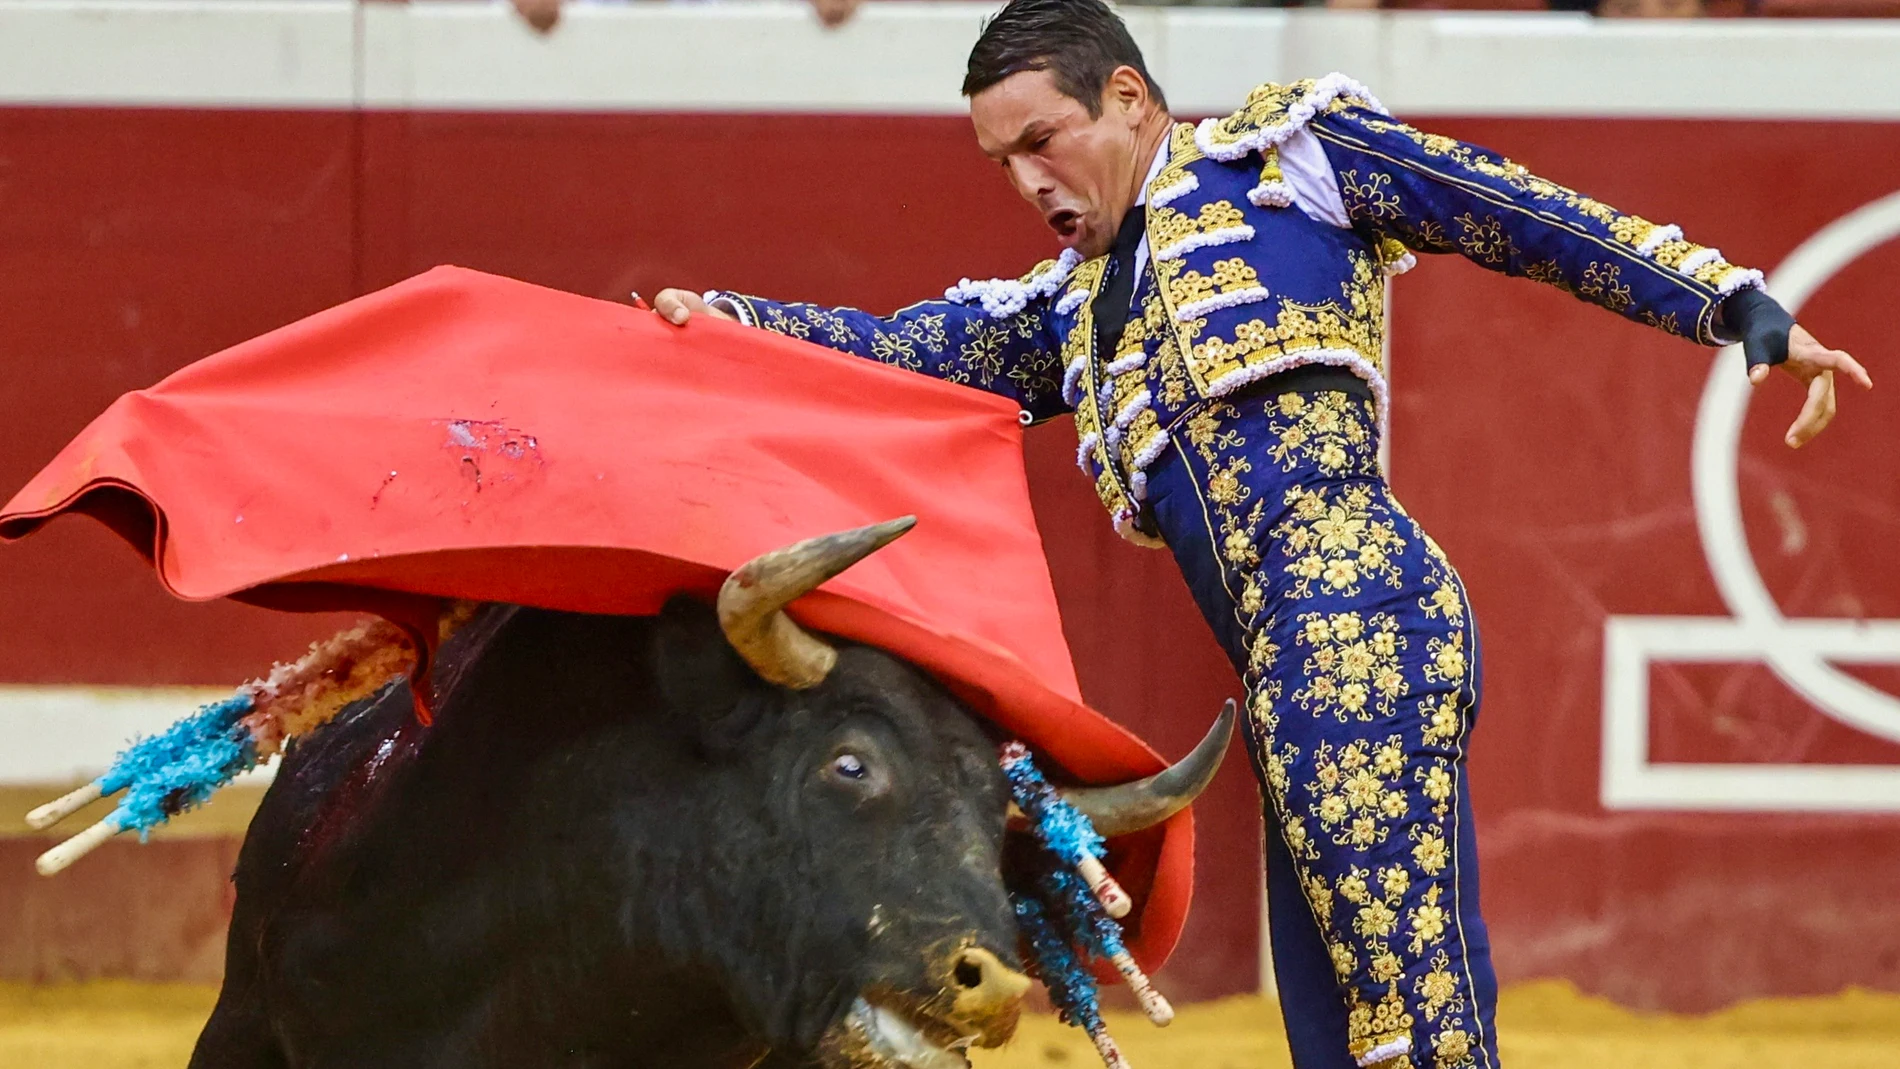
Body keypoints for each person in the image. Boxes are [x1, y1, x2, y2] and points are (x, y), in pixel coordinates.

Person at [653, 2, 1871, 1065]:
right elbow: (910, 351)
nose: (1028, 180)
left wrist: (1730, 302)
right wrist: (729, 323)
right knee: (1336, 1027)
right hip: (1283, 660)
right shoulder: (1074, 313)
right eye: (1001, 160)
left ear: (1126, 97)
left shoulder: (1286, 165)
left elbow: (1510, 211)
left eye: (1044, 139)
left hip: (1361, 619)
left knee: (1409, 1001)